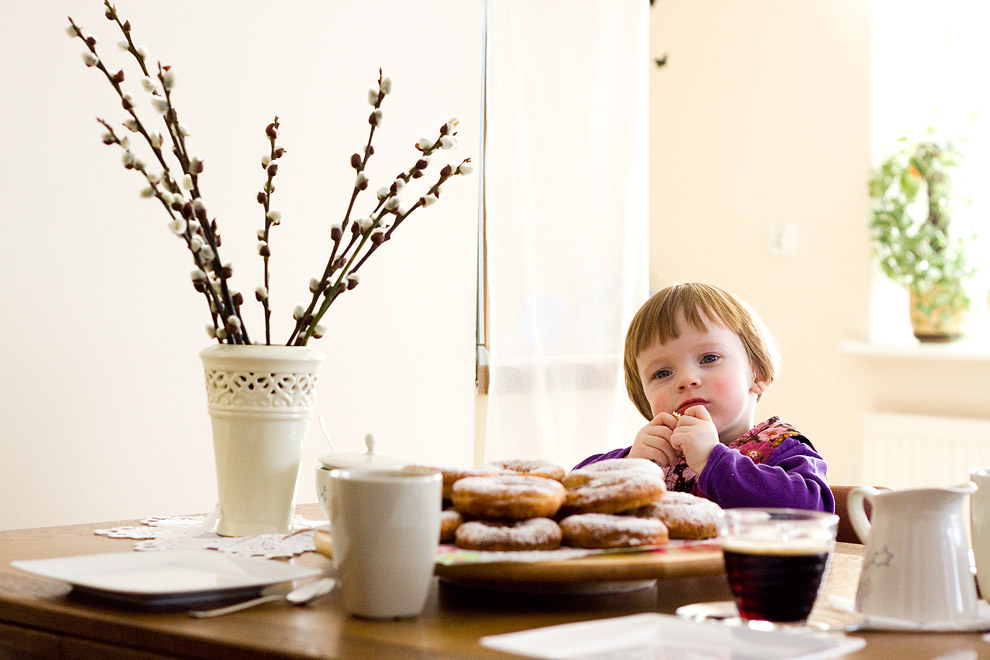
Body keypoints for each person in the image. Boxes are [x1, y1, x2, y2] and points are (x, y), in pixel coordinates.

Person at [575, 282, 834, 513]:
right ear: (644, 398)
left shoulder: (781, 447)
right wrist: (628, 467)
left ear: (759, 374)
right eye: (662, 373)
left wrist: (714, 460)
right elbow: (566, 496)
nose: (686, 379)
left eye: (709, 358)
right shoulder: (650, 458)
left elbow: (813, 510)